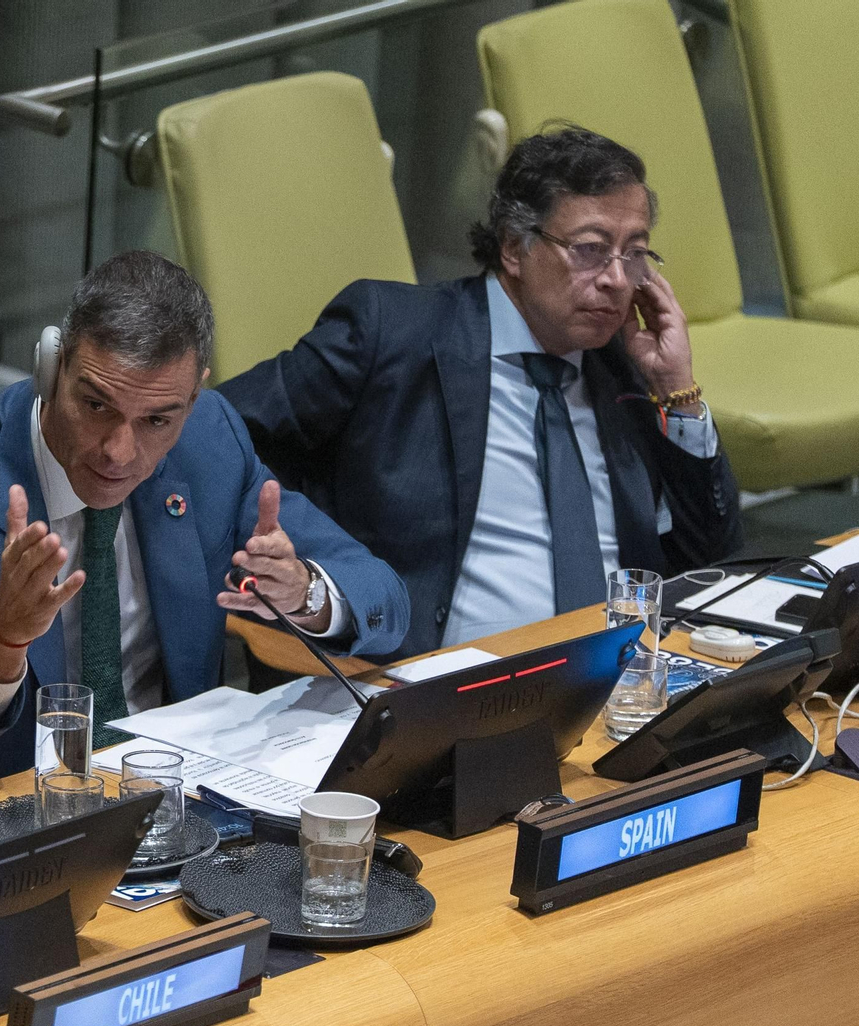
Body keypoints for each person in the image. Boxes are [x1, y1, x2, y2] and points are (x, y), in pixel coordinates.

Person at [0, 250, 409, 805]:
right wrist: (0, 639)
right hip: (0, 823)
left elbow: (384, 597)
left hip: (173, 806)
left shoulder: (209, 440)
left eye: (157, 420)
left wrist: (304, 592)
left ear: (193, 399)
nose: (119, 452)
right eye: (96, 406)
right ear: (51, 366)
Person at [219, 125, 743, 661]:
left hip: (622, 681)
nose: (616, 279)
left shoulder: (625, 364)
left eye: (634, 255)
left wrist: (676, 389)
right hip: (432, 686)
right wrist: (313, 573)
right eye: (589, 250)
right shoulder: (394, 332)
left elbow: (711, 565)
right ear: (515, 248)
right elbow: (218, 435)